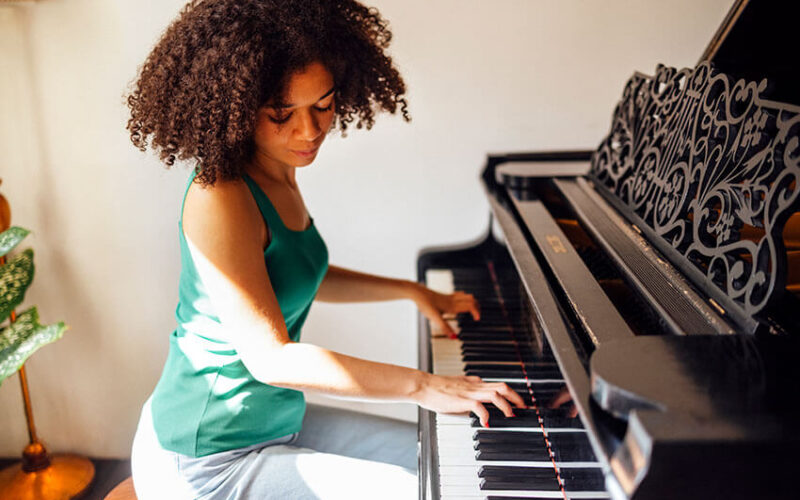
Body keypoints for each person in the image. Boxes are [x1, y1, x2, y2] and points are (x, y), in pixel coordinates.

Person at [126, 1, 525, 498]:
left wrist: (411, 292)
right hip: (206, 456)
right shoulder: (220, 196)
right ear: (237, 104)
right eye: (281, 114)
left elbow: (301, 272)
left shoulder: (278, 169)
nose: (310, 131)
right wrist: (423, 386)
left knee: (449, 451)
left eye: (323, 105)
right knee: (432, 490)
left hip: (274, 417)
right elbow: (271, 359)